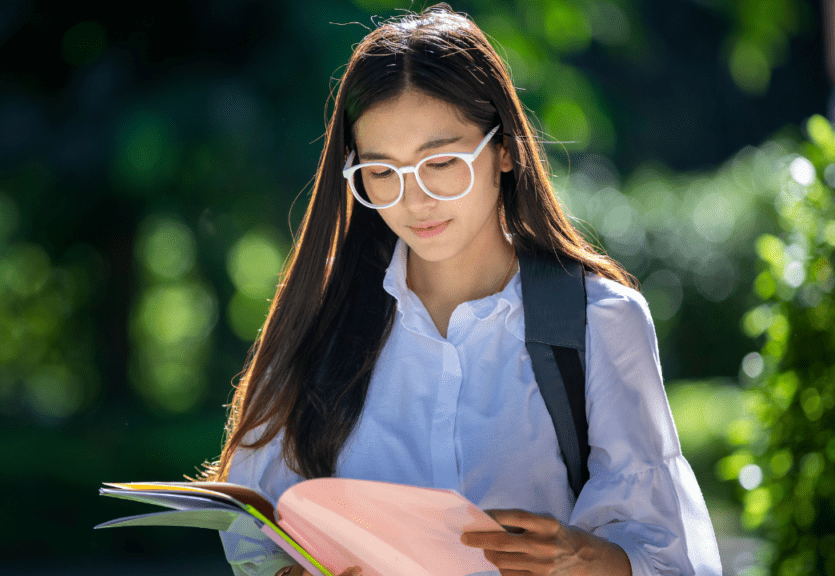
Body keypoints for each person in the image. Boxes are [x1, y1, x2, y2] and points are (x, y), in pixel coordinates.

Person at [198, 5, 723, 576]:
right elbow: (255, 545)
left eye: (441, 162)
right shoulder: (317, 323)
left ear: (505, 149)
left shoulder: (600, 321)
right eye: (382, 172)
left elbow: (674, 559)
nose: (414, 199)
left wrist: (584, 557)